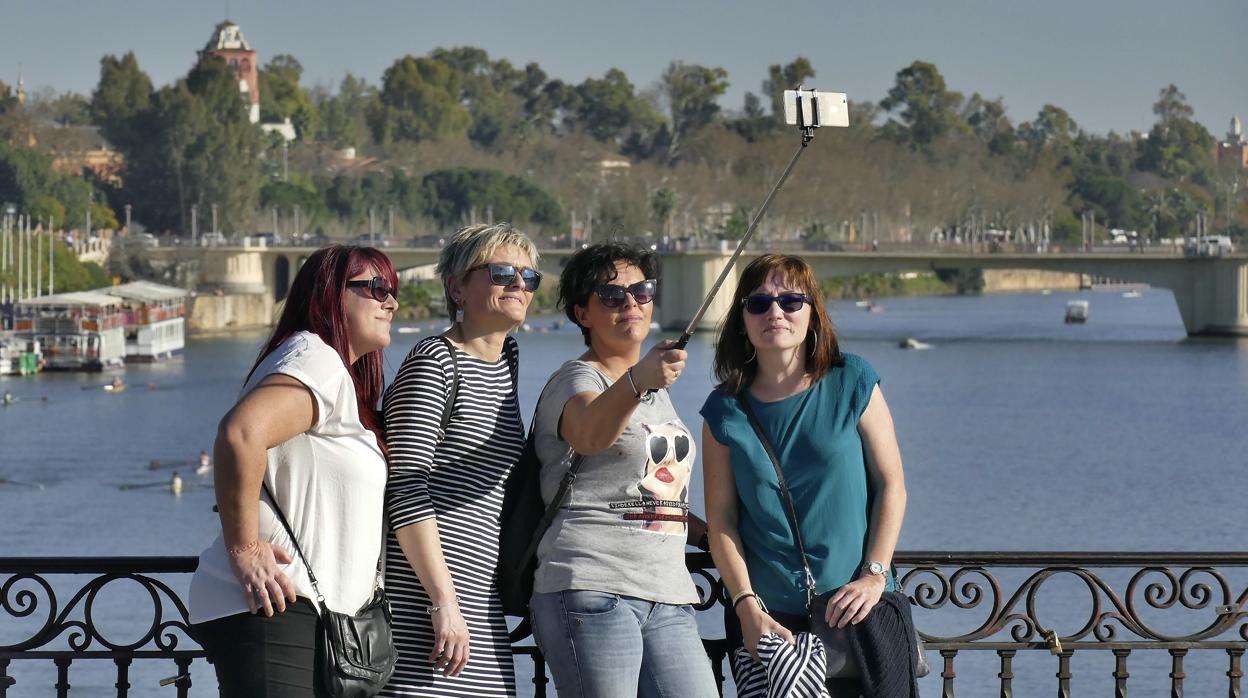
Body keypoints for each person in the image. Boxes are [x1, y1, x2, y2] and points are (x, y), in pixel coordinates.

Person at [188, 245, 399, 697]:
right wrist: (243, 548)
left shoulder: (324, 368)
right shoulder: (315, 357)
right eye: (376, 287)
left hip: (300, 615)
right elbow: (241, 434)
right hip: (277, 607)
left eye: (393, 290)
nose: (391, 302)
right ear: (329, 295)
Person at [700, 254, 909, 698]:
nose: (775, 312)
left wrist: (874, 573)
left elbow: (891, 485)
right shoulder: (724, 410)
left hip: (861, 611)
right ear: (742, 320)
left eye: (791, 301)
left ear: (813, 315)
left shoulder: (852, 380)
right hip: (771, 629)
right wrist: (745, 607)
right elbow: (721, 521)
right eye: (758, 304)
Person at [528, 242, 718, 698]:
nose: (630, 303)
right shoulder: (577, 380)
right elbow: (590, 435)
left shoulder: (655, 391)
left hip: (669, 593)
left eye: (641, 291)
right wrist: (637, 381)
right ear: (583, 313)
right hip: (592, 586)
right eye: (611, 296)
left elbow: (649, 493)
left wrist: (715, 538)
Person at [382, 223, 540, 697]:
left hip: (479, 603)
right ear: (456, 286)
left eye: (529, 277)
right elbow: (405, 486)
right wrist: (441, 601)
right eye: (501, 272)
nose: (518, 285)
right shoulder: (436, 359)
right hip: (424, 607)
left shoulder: (506, 358)